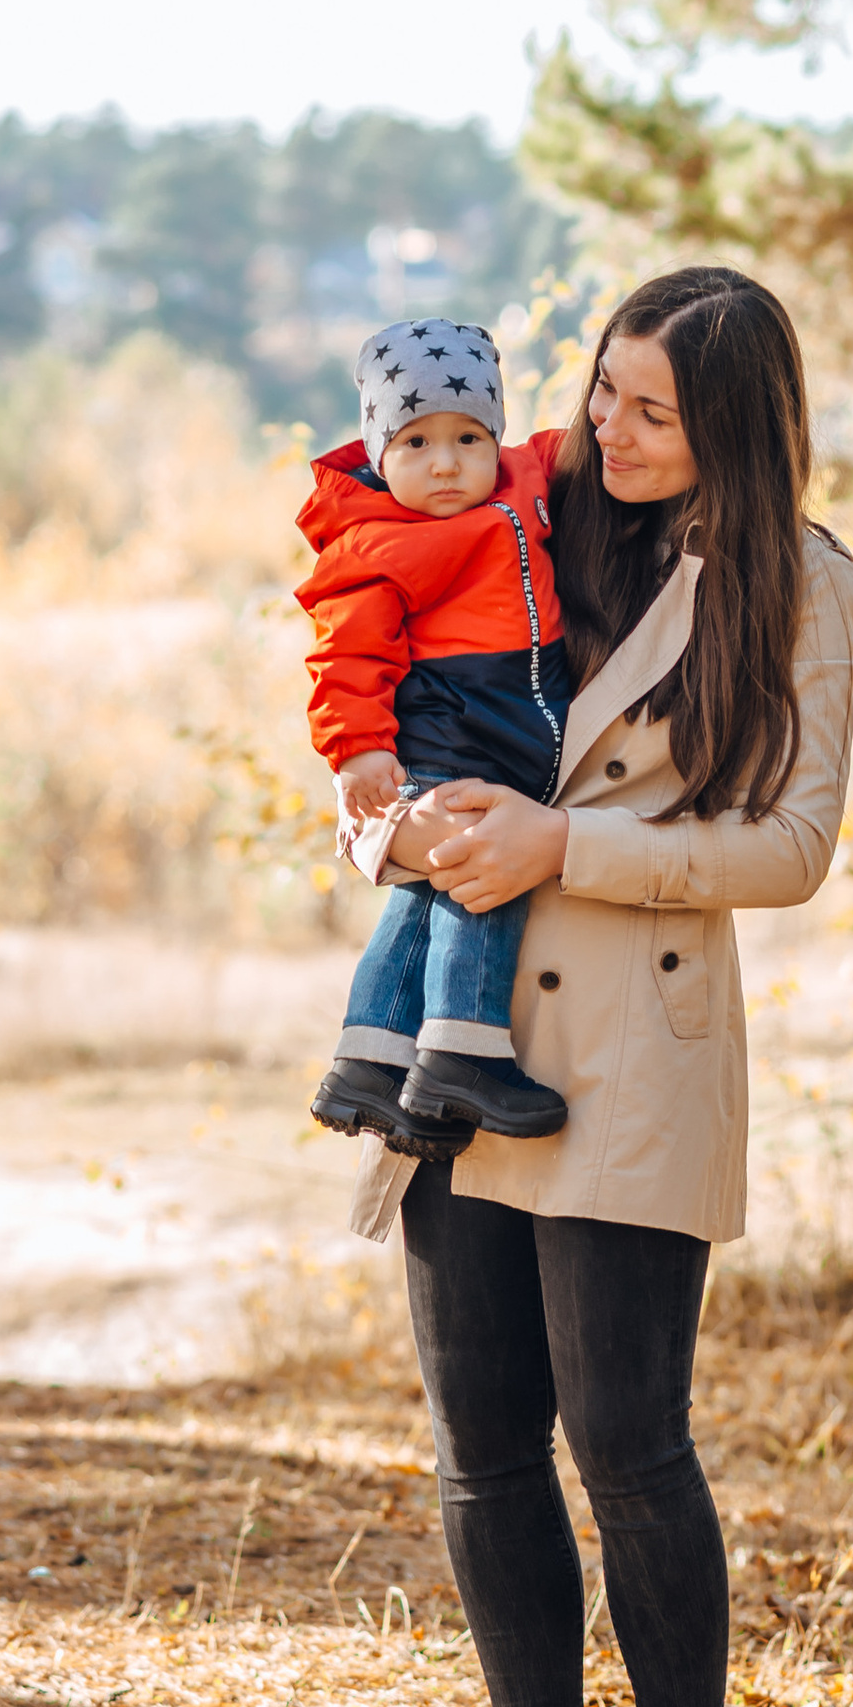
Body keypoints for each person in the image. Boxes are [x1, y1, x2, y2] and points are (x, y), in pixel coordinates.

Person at [340, 266, 853, 1707]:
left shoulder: (800, 580)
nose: (611, 430)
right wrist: (385, 819)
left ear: (739, 424)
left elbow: (792, 846)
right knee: (483, 1436)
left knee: (629, 1440)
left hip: (638, 1046)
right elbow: (367, 675)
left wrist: (570, 839)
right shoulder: (509, 501)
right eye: (609, 389)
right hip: (461, 1026)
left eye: (657, 410)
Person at [296, 316, 574, 1150]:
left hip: (507, 725)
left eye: (467, 437)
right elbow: (345, 653)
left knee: (419, 901)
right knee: (479, 875)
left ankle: (369, 1062)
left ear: (498, 436)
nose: (446, 463)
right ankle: (464, 1048)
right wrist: (359, 749)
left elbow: (582, 445)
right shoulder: (377, 543)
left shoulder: (524, 478)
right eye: (415, 441)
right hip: (456, 734)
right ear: (379, 451)